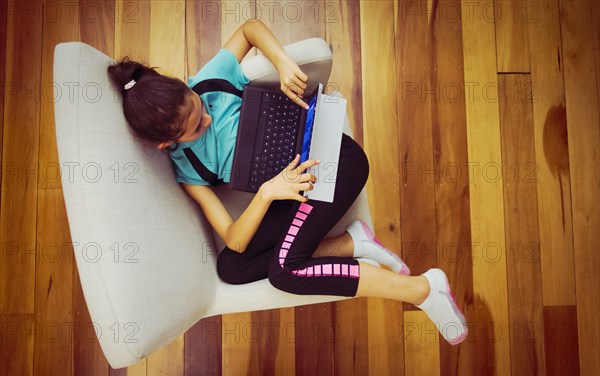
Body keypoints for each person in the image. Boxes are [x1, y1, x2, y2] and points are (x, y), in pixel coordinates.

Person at [107, 19, 468, 345]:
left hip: (336, 161)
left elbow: (249, 30)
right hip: (290, 191)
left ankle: (422, 289)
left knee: (285, 272)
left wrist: (280, 61)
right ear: (167, 143)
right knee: (233, 267)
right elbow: (234, 238)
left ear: (185, 87)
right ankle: (349, 243)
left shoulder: (208, 82)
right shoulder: (189, 170)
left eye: (199, 105)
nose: (207, 117)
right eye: (196, 126)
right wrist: (266, 194)